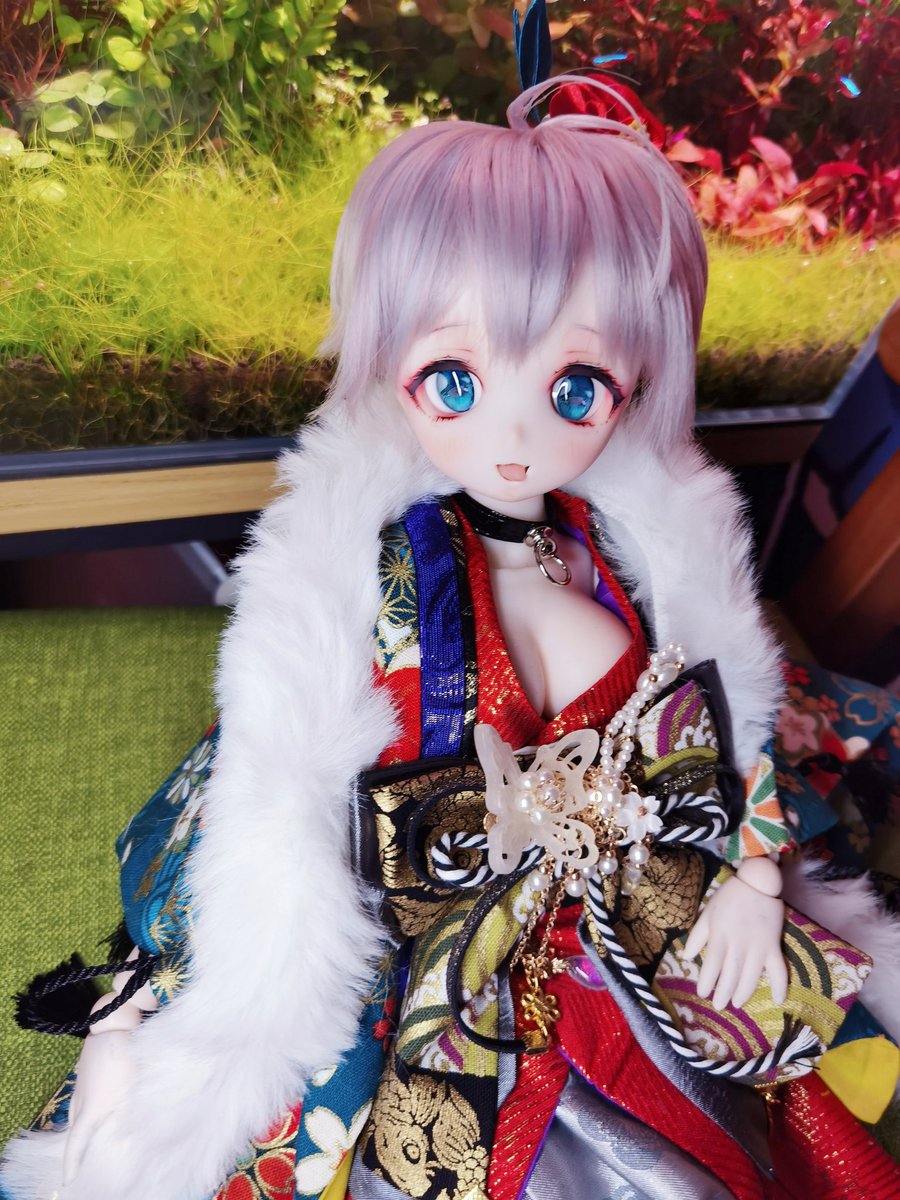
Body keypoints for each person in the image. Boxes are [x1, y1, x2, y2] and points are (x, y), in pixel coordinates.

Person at [2, 76, 898, 1200]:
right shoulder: (377, 578)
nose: (513, 435)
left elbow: (717, 732)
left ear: (637, 381)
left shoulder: (631, 552)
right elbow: (281, 790)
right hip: (435, 950)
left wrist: (752, 883)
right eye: (455, 379)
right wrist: (148, 1016)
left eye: (577, 387)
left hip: (633, 927)